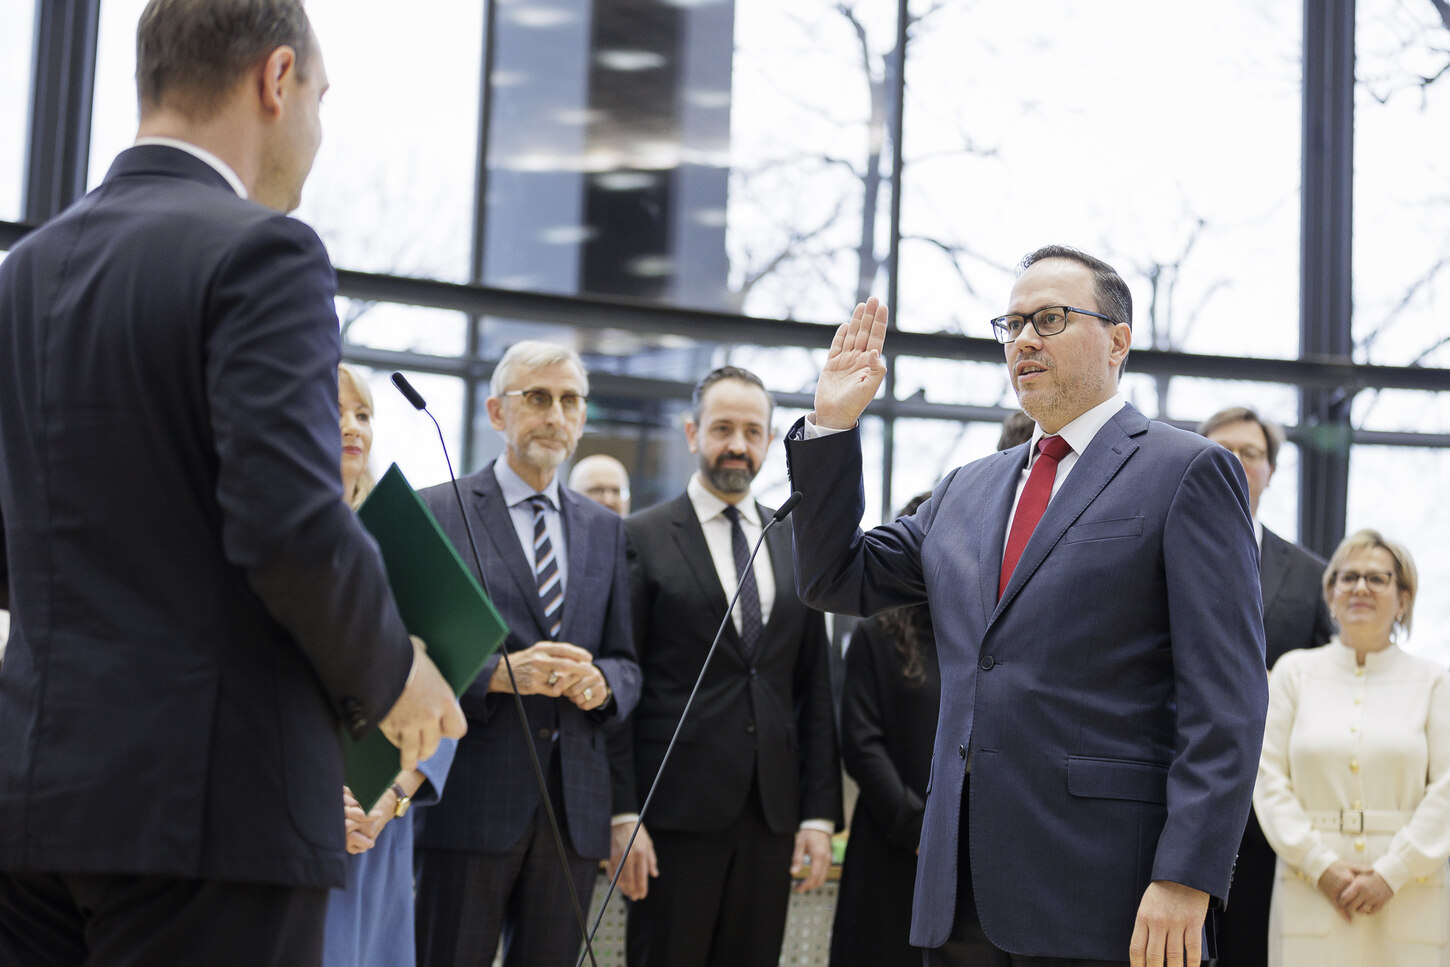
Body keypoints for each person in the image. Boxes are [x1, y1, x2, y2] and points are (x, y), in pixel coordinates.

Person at [0, 3, 464, 964]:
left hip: (34, 799)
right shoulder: (263, 251)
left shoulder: (25, 271)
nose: (317, 131)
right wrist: (395, 675)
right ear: (276, 78)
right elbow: (290, 526)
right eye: (322, 101)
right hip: (215, 812)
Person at [784, 245, 1269, 966]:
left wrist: (1186, 875)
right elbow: (834, 579)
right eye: (1011, 326)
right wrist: (831, 427)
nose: (1025, 340)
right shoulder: (966, 489)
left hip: (1110, 887)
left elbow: (1227, 701)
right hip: (961, 890)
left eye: (1049, 318)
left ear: (1118, 339)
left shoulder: (1188, 471)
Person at [413, 341, 642, 967]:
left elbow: (626, 659)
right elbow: (408, 661)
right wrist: (496, 677)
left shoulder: (606, 528)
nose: (555, 415)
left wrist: (603, 683)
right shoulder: (440, 511)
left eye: (570, 401)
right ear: (495, 411)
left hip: (573, 813)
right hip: (469, 799)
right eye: (537, 397)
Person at [607, 365, 842, 967]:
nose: (737, 444)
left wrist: (818, 814)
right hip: (671, 818)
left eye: (753, 430)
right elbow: (622, 681)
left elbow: (813, 688)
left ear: (768, 440)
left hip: (771, 817)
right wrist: (624, 810)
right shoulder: (640, 538)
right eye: (722, 428)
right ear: (692, 433)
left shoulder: (795, 542)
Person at [1254, 529, 1450, 967]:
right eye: (1348, 577)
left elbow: (1447, 790)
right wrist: (1319, 864)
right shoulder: (1293, 674)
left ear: (1404, 598)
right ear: (1331, 595)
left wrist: (1392, 871)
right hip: (1311, 886)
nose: (1360, 587)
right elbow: (1266, 779)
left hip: (1411, 891)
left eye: (1378, 578)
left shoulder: (1435, 681)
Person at [322, 364, 458, 967]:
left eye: (364, 414)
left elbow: (447, 688)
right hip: (287, 815)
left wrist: (391, 799)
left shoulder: (403, 541)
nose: (353, 426)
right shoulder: (261, 541)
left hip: (377, 828)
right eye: (336, 409)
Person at [1198, 405, 1335, 966]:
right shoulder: (1148, 553)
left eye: (1249, 452)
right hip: (1168, 792)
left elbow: (1331, 685)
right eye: (1219, 450)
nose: (1233, 461)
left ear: (1271, 470)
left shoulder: (1310, 575)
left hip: (1271, 806)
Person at [829, 493, 939, 967]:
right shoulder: (876, 632)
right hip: (891, 844)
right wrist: (917, 827)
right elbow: (860, 741)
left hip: (957, 850)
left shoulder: (975, 632)